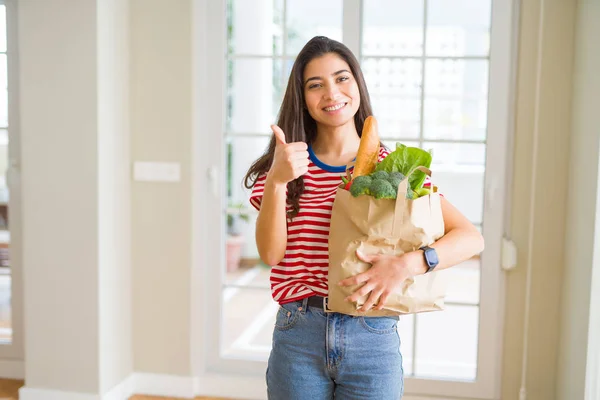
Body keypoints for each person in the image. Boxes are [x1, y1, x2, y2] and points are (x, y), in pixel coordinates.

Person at [243, 36, 484, 400]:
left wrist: (408, 264)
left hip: (371, 336)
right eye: (315, 85)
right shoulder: (285, 165)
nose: (331, 93)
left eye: (342, 79)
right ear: (302, 98)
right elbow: (272, 255)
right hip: (299, 333)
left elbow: (469, 237)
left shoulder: (394, 166)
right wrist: (277, 181)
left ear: (357, 85)